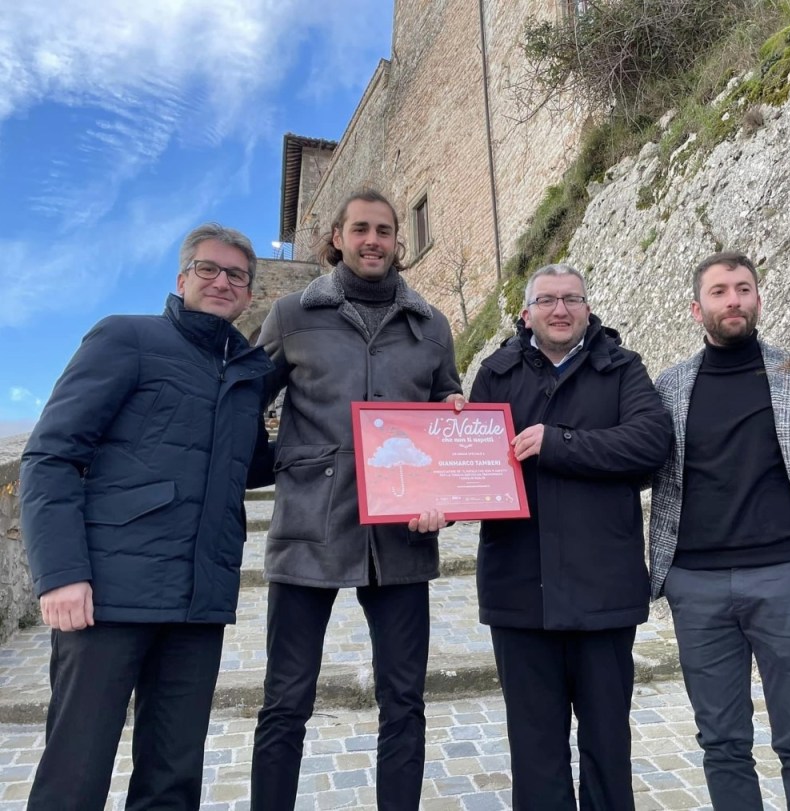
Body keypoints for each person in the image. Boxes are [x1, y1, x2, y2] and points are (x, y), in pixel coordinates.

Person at [20, 223, 273, 810]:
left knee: (173, 777)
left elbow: (253, 465)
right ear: (182, 278)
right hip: (110, 595)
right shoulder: (126, 337)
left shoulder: (247, 372)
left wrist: (351, 446)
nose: (222, 281)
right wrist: (60, 573)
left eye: (237, 275)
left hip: (199, 599)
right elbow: (50, 456)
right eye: (208, 268)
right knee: (76, 772)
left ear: (248, 295)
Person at [249, 189, 463, 811]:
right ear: (337, 238)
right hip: (308, 527)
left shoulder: (431, 325)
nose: (373, 240)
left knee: (405, 701)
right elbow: (245, 402)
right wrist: (274, 464)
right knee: (286, 700)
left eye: (385, 230)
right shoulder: (291, 315)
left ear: (398, 241)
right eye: (361, 229)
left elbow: (446, 408)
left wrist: (448, 464)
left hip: (401, 535)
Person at [469, 263, 672, 809]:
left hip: (602, 589)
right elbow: (471, 465)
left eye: (572, 299)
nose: (560, 310)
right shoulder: (495, 373)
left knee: (608, 745)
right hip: (518, 589)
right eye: (547, 300)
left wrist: (559, 443)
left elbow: (650, 443)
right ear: (525, 313)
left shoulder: (623, 368)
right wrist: (439, 496)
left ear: (587, 308)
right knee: (534, 751)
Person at [648, 251, 790, 809]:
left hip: (787, 579)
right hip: (696, 584)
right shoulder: (669, 386)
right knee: (722, 743)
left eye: (743, 289)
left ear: (757, 298)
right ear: (696, 308)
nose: (733, 300)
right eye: (719, 291)